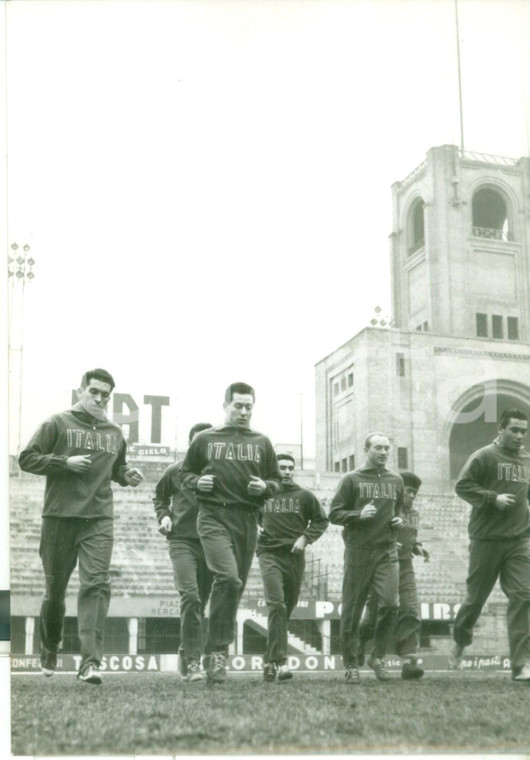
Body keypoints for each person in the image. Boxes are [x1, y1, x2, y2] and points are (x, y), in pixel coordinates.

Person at [18, 368, 143, 685]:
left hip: (99, 518)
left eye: (105, 395)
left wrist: (126, 475)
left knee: (96, 585)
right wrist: (64, 463)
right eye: (95, 392)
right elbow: (27, 459)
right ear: (80, 391)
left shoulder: (114, 432)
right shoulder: (57, 422)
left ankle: (90, 663)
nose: (100, 398)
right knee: (55, 593)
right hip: (60, 518)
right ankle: (49, 648)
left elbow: (117, 467)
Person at [180, 382, 281, 684]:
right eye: (238, 405)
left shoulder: (262, 441)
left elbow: (276, 480)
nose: (244, 411)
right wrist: (198, 483)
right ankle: (218, 653)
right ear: (225, 406)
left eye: (249, 406)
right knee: (228, 577)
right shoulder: (205, 439)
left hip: (247, 518)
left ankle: (214, 652)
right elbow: (184, 474)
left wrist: (266, 488)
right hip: (212, 515)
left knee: (234, 586)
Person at [449, 408, 530, 682]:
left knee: (523, 596)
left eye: (523, 430)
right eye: (514, 430)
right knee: (475, 601)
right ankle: (460, 639)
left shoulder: (527, 460)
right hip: (486, 540)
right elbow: (462, 486)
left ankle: (520, 664)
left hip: (518, 541)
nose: (520, 435)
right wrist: (492, 498)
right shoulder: (484, 456)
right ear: (501, 429)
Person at [329, 432, 404, 683]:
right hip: (359, 551)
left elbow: (400, 508)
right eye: (378, 448)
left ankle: (377, 656)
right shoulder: (351, 479)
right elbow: (334, 514)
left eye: (386, 448)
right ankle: (351, 664)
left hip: (387, 549)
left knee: (391, 603)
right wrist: (358, 515)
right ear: (365, 450)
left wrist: (399, 519)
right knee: (352, 609)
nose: (383, 452)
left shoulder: (396, 480)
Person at [257, 454, 328, 683]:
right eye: (282, 468)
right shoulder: (262, 493)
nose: (286, 472)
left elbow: (321, 520)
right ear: (274, 470)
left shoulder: (304, 496)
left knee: (286, 608)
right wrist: (254, 526)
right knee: (276, 603)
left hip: (294, 556)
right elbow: (247, 514)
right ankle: (281, 661)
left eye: (290, 468)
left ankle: (269, 661)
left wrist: (305, 538)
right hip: (269, 553)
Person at [153, 422, 214, 682]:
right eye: (197, 442)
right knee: (190, 596)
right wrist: (164, 516)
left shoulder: (221, 472)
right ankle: (193, 663)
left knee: (199, 604)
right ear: (191, 444)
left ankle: (184, 652)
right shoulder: (173, 471)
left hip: (211, 543)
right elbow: (160, 497)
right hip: (181, 541)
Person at [358, 471, 429, 680]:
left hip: (405, 566)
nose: (412, 496)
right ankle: (361, 641)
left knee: (411, 610)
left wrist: (418, 547)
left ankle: (408, 661)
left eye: (415, 493)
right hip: (383, 565)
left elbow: (412, 537)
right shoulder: (385, 509)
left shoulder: (414, 514)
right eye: (409, 491)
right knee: (375, 612)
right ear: (399, 491)